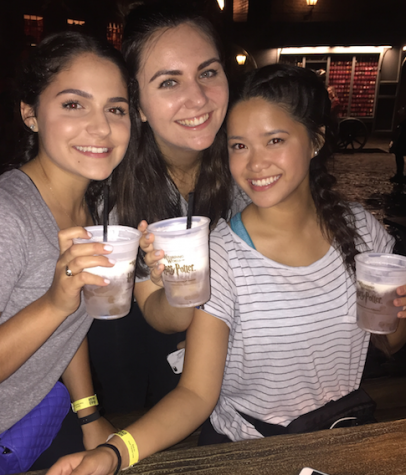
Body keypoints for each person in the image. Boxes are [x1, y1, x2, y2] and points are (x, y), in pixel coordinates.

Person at [47, 63, 406, 474]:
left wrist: (397, 314)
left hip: (339, 437)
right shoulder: (220, 256)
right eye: (239, 146)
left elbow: (388, 342)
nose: (255, 163)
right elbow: (197, 393)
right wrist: (112, 453)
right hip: (253, 448)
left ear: (315, 141)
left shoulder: (361, 230)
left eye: (274, 140)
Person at [87, 0, 250, 411]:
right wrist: (179, 289)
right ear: (137, 105)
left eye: (208, 73)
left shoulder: (248, 162)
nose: (198, 99)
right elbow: (161, 314)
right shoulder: (116, 186)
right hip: (142, 347)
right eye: (169, 82)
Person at [0, 31, 131, 469]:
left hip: (27, 421)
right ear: (29, 113)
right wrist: (55, 301)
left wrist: (88, 412)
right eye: (74, 104)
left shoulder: (99, 211)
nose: (101, 127)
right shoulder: (8, 216)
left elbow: (68, 326)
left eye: (116, 108)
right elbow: (62, 306)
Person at [389, 106, 406, 184]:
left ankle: (399, 175)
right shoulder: (402, 122)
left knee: (399, 156)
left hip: (403, 142)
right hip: (402, 141)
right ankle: (399, 174)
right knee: (399, 156)